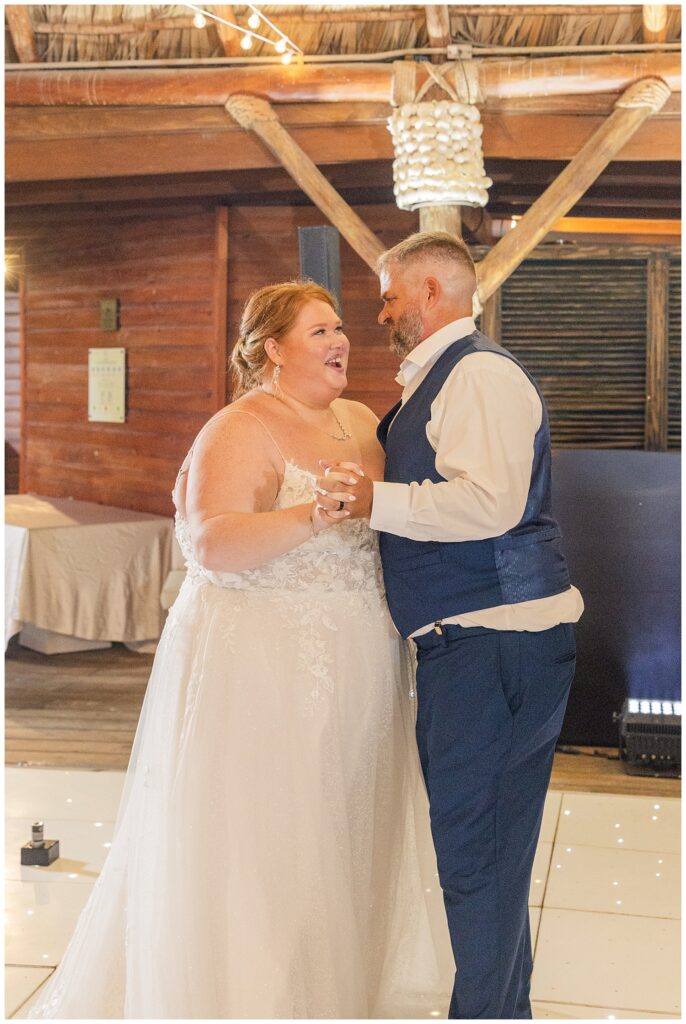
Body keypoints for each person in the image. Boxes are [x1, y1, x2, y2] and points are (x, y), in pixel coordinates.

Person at [28, 280, 453, 1020]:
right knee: (270, 838)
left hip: (361, 654)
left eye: (339, 329)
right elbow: (212, 542)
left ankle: (332, 994)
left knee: (344, 825)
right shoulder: (240, 426)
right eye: (319, 331)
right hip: (266, 657)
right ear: (270, 350)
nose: (340, 342)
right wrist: (314, 514)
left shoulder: (360, 419)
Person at [315, 232, 584, 1020]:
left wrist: (374, 501)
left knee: (478, 857)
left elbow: (489, 504)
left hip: (496, 643)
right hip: (477, 643)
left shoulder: (479, 377)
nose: (383, 309)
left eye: (393, 294)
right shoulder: (445, 378)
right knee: (485, 856)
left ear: (432, 293)